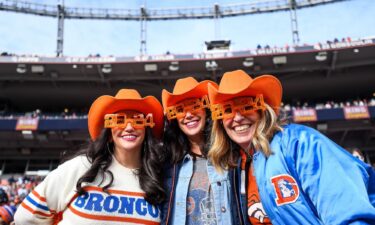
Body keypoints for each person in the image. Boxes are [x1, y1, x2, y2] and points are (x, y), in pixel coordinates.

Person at [207, 70, 375, 224]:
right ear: (220, 121)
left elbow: (350, 215)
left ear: (262, 110)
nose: (237, 118)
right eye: (227, 110)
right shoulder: (234, 166)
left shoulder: (301, 143)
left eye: (246, 105)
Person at [14, 89, 166, 224]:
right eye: (119, 120)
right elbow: (25, 217)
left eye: (138, 120)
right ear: (109, 132)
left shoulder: (158, 177)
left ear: (146, 130)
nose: (129, 127)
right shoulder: (81, 167)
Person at [160, 77, 236, 225]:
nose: (188, 115)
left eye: (194, 106)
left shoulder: (229, 153)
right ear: (174, 118)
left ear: (206, 109)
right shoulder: (167, 162)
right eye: (180, 110)